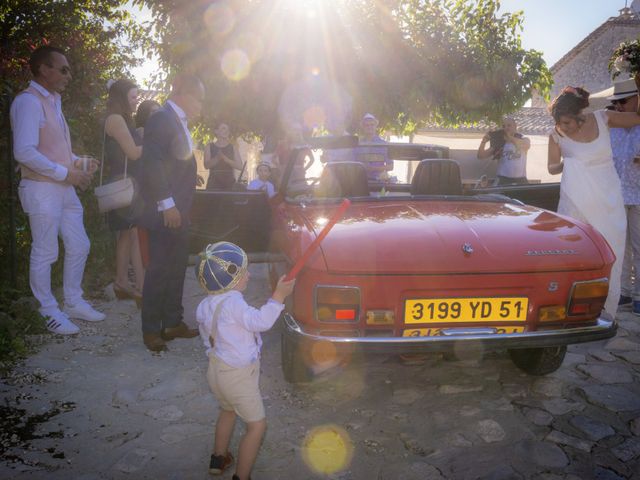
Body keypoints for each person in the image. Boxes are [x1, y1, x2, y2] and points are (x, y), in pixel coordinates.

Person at [10, 45, 105, 335]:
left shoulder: (52, 101)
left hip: (63, 189)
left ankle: (73, 301)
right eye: (63, 69)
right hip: (41, 190)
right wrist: (67, 173)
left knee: (80, 244)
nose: (69, 74)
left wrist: (78, 161)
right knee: (46, 251)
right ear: (43, 70)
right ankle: (47, 310)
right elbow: (24, 152)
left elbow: (50, 149)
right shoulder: (28, 102)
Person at [195, 242, 295, 480]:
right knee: (256, 426)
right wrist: (278, 297)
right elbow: (260, 322)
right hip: (238, 377)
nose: (248, 275)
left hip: (216, 372)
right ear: (229, 279)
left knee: (227, 410)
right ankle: (242, 476)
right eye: (243, 272)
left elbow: (208, 341)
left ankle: (218, 459)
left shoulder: (204, 305)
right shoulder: (234, 303)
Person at [547, 84, 640, 317]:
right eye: (560, 123)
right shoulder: (556, 134)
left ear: (580, 115)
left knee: (611, 248)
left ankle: (604, 307)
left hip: (608, 198)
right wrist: (568, 163)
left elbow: (636, 119)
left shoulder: (603, 118)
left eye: (567, 122)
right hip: (575, 200)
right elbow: (551, 168)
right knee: (574, 250)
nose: (563, 127)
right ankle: (570, 305)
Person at [136, 74, 205, 352]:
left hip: (180, 209)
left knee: (177, 267)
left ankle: (172, 322)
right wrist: (168, 204)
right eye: (199, 98)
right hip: (168, 211)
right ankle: (152, 330)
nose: (202, 105)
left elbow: (174, 163)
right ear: (182, 95)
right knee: (159, 269)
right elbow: (152, 165)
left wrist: (191, 180)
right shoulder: (161, 118)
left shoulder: (177, 120)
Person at [103, 79, 144, 305]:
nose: (136, 100)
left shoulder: (121, 119)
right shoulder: (116, 119)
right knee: (129, 233)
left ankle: (130, 283)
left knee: (129, 234)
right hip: (122, 183)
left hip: (127, 183)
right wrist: (153, 141)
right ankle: (128, 284)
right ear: (121, 97)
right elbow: (133, 153)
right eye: (133, 96)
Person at [609, 78, 640, 314]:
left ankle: (639, 294)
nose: (619, 106)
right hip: (619, 194)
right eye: (617, 102)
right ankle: (625, 292)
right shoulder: (614, 130)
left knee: (639, 246)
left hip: (639, 195)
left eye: (623, 101)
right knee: (623, 246)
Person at [477, 117, 530, 185]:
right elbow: (481, 156)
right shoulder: (499, 142)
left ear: (515, 126)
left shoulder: (523, 138)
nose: (506, 128)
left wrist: (509, 137)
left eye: (509, 125)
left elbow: (526, 145)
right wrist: (483, 141)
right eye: (504, 126)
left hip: (520, 179)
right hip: (502, 179)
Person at [204, 123, 243, 190]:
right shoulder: (209, 147)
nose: (226, 131)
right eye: (223, 128)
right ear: (216, 131)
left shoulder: (233, 147)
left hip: (229, 183)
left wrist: (226, 159)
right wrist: (217, 158)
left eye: (228, 129)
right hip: (214, 183)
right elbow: (206, 166)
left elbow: (240, 166)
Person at [356, 113, 393, 182]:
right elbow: (353, 163)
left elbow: (391, 166)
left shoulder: (384, 145)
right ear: (363, 127)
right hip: (361, 181)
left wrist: (374, 168)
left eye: (372, 125)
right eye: (367, 125)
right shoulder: (358, 145)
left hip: (378, 182)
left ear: (376, 126)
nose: (369, 127)